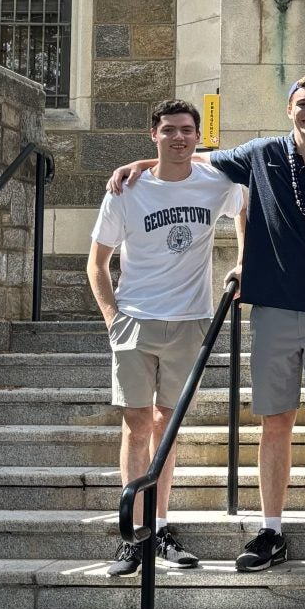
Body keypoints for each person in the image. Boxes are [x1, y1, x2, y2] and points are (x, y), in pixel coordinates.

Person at [108, 75, 305, 574]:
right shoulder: (261, 154)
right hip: (273, 311)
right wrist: (143, 164)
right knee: (275, 423)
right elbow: (194, 158)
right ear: (289, 110)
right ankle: (272, 529)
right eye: (302, 104)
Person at [89, 99, 245, 577]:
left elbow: (249, 210)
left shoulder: (216, 181)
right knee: (137, 424)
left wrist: (243, 260)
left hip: (190, 321)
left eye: (186, 131)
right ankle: (133, 535)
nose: (178, 138)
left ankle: (159, 527)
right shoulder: (126, 190)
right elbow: (97, 263)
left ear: (199, 136)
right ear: (152, 135)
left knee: (167, 426)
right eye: (168, 130)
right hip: (135, 320)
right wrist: (113, 317)